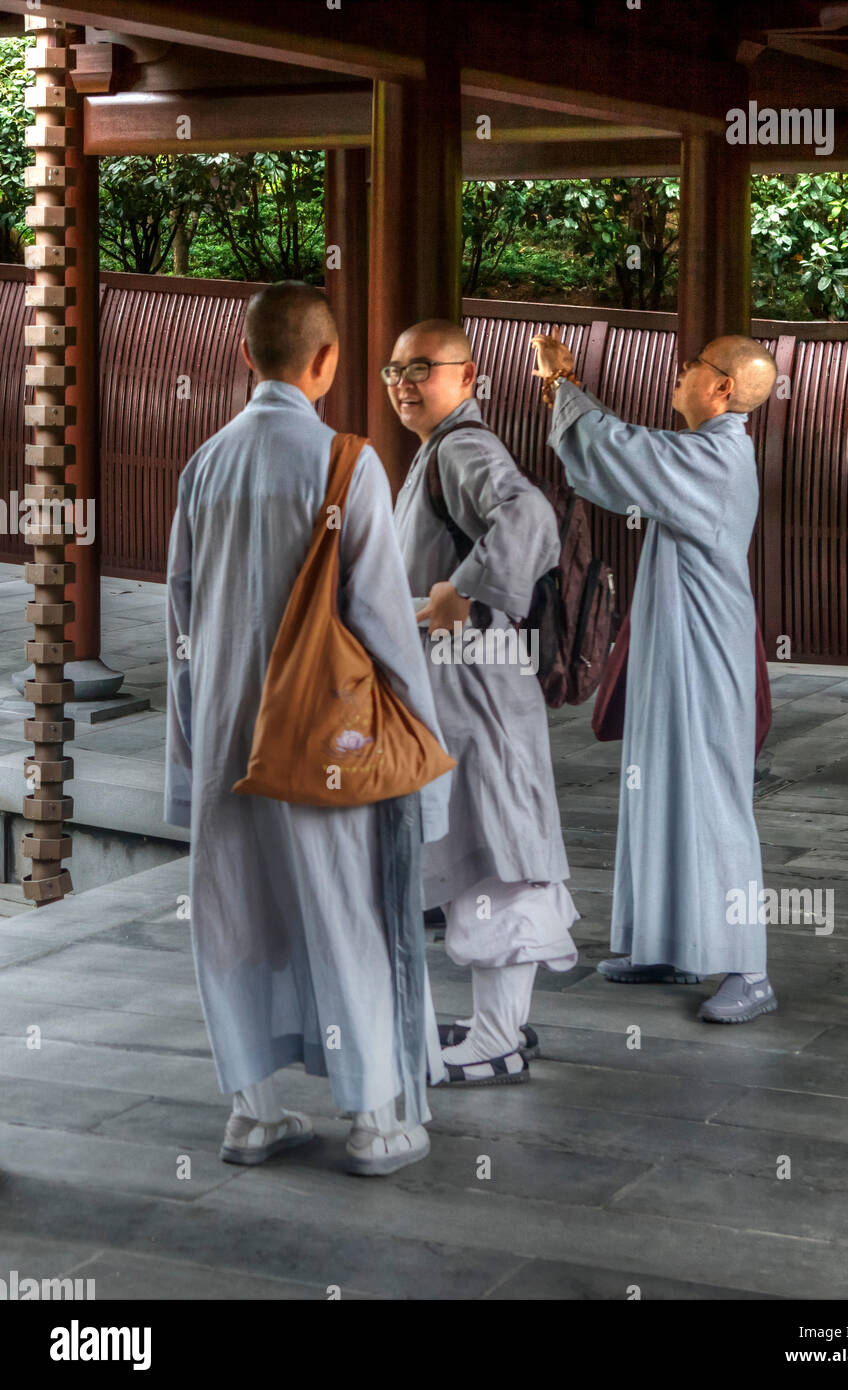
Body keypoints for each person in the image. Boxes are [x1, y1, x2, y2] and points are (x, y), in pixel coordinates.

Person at [165, 281, 451, 1173]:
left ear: (247, 356)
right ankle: (375, 1122)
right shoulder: (345, 462)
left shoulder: (203, 464)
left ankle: (252, 1115)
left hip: (224, 736)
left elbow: (180, 624)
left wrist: (186, 762)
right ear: (326, 364)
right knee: (344, 916)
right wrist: (421, 767)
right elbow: (381, 623)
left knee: (236, 918)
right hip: (326, 745)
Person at [532, 331, 778, 1023]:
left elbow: (624, 451)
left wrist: (563, 384)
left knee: (713, 801)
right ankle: (666, 945)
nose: (680, 372)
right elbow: (623, 461)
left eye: (694, 365)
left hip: (705, 659)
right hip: (679, 655)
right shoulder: (707, 452)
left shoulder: (718, 454)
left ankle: (749, 969)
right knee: (660, 786)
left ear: (722, 388)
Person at [389, 319, 578, 1084]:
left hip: (479, 684)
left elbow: (530, 518)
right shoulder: (440, 448)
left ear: (467, 378)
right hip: (463, 685)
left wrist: (459, 593)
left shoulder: (465, 446)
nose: (405, 382)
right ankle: (500, 1024)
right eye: (394, 369)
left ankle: (499, 1040)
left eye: (423, 368)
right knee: (485, 847)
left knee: (498, 856)